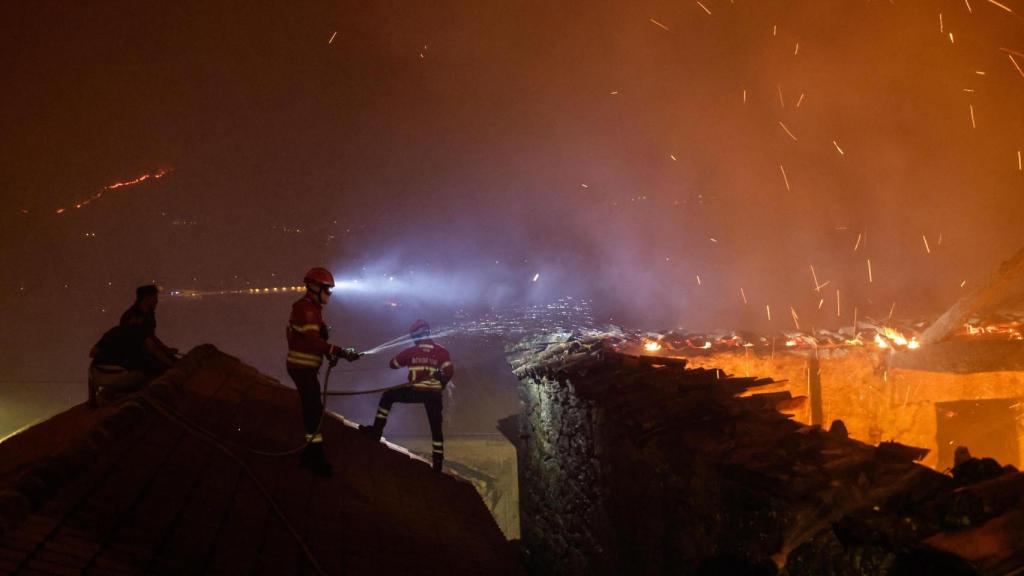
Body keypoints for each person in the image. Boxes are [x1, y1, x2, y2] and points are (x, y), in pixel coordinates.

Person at [287, 267, 361, 477]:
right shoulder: (308, 311)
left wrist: (329, 353)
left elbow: (315, 340)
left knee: (313, 411)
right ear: (315, 288)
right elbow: (312, 341)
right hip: (302, 369)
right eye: (327, 290)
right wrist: (340, 352)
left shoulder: (311, 309)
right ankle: (314, 456)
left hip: (304, 368)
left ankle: (313, 452)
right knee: (313, 412)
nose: (329, 294)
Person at [363, 319, 454, 473]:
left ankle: (376, 431)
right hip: (433, 395)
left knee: (388, 396)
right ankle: (438, 462)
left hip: (415, 392)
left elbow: (393, 364)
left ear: (415, 336)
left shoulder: (411, 352)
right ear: (429, 332)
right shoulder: (441, 351)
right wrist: (441, 382)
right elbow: (449, 372)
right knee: (436, 428)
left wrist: (409, 357)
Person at [87, 284, 176, 406]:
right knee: (148, 376)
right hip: (121, 375)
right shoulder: (138, 333)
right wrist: (173, 366)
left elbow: (92, 354)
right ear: (147, 298)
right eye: (155, 297)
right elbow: (152, 346)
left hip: (97, 375)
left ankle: (94, 402)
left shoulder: (112, 333)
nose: (157, 301)